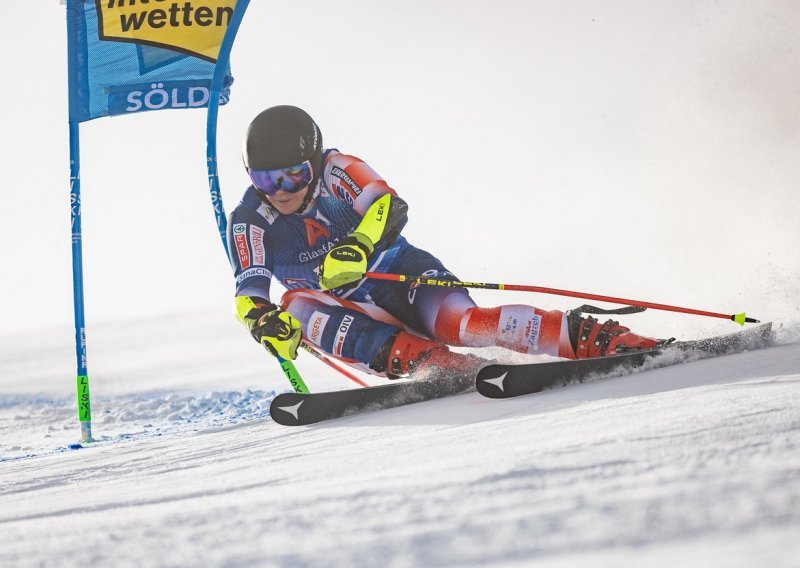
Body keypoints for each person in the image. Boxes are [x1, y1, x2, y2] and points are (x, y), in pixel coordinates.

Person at [228, 105, 663, 379]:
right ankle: (438, 368)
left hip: (398, 272)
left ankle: (595, 339)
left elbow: (388, 206)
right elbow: (248, 295)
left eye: (294, 174)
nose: (281, 189)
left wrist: (357, 245)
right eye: (265, 178)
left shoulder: (336, 168)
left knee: (465, 325)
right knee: (294, 309)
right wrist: (263, 325)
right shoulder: (250, 220)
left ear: (314, 161)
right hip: (346, 312)